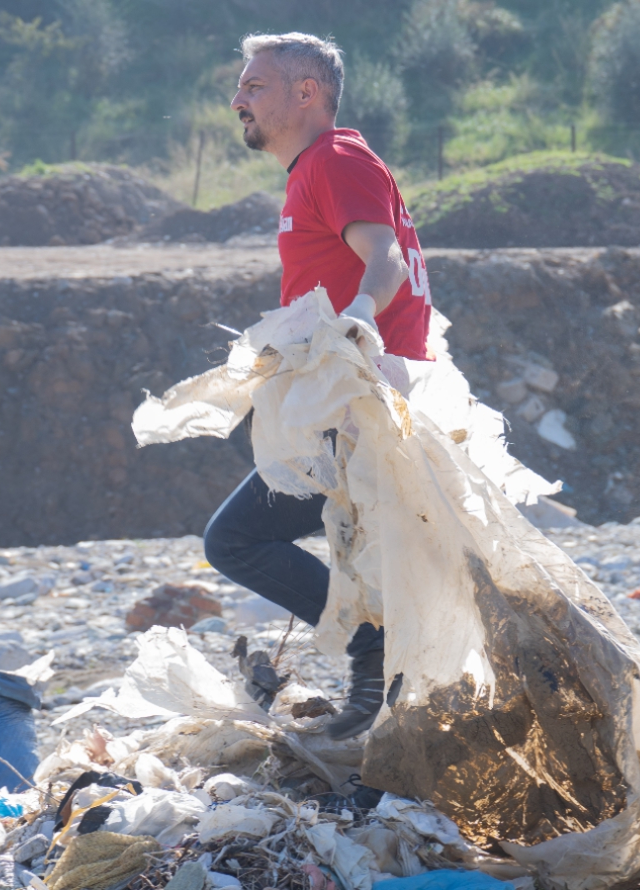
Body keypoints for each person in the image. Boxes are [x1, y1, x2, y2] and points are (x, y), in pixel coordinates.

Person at [203, 32, 432, 740]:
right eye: (241, 87)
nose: (238, 99)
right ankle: (391, 690)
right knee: (348, 547)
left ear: (307, 93)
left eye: (254, 86)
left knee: (235, 541)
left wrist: (359, 319)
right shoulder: (316, 169)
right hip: (351, 397)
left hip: (354, 401)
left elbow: (385, 261)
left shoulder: (332, 159)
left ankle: (373, 652)